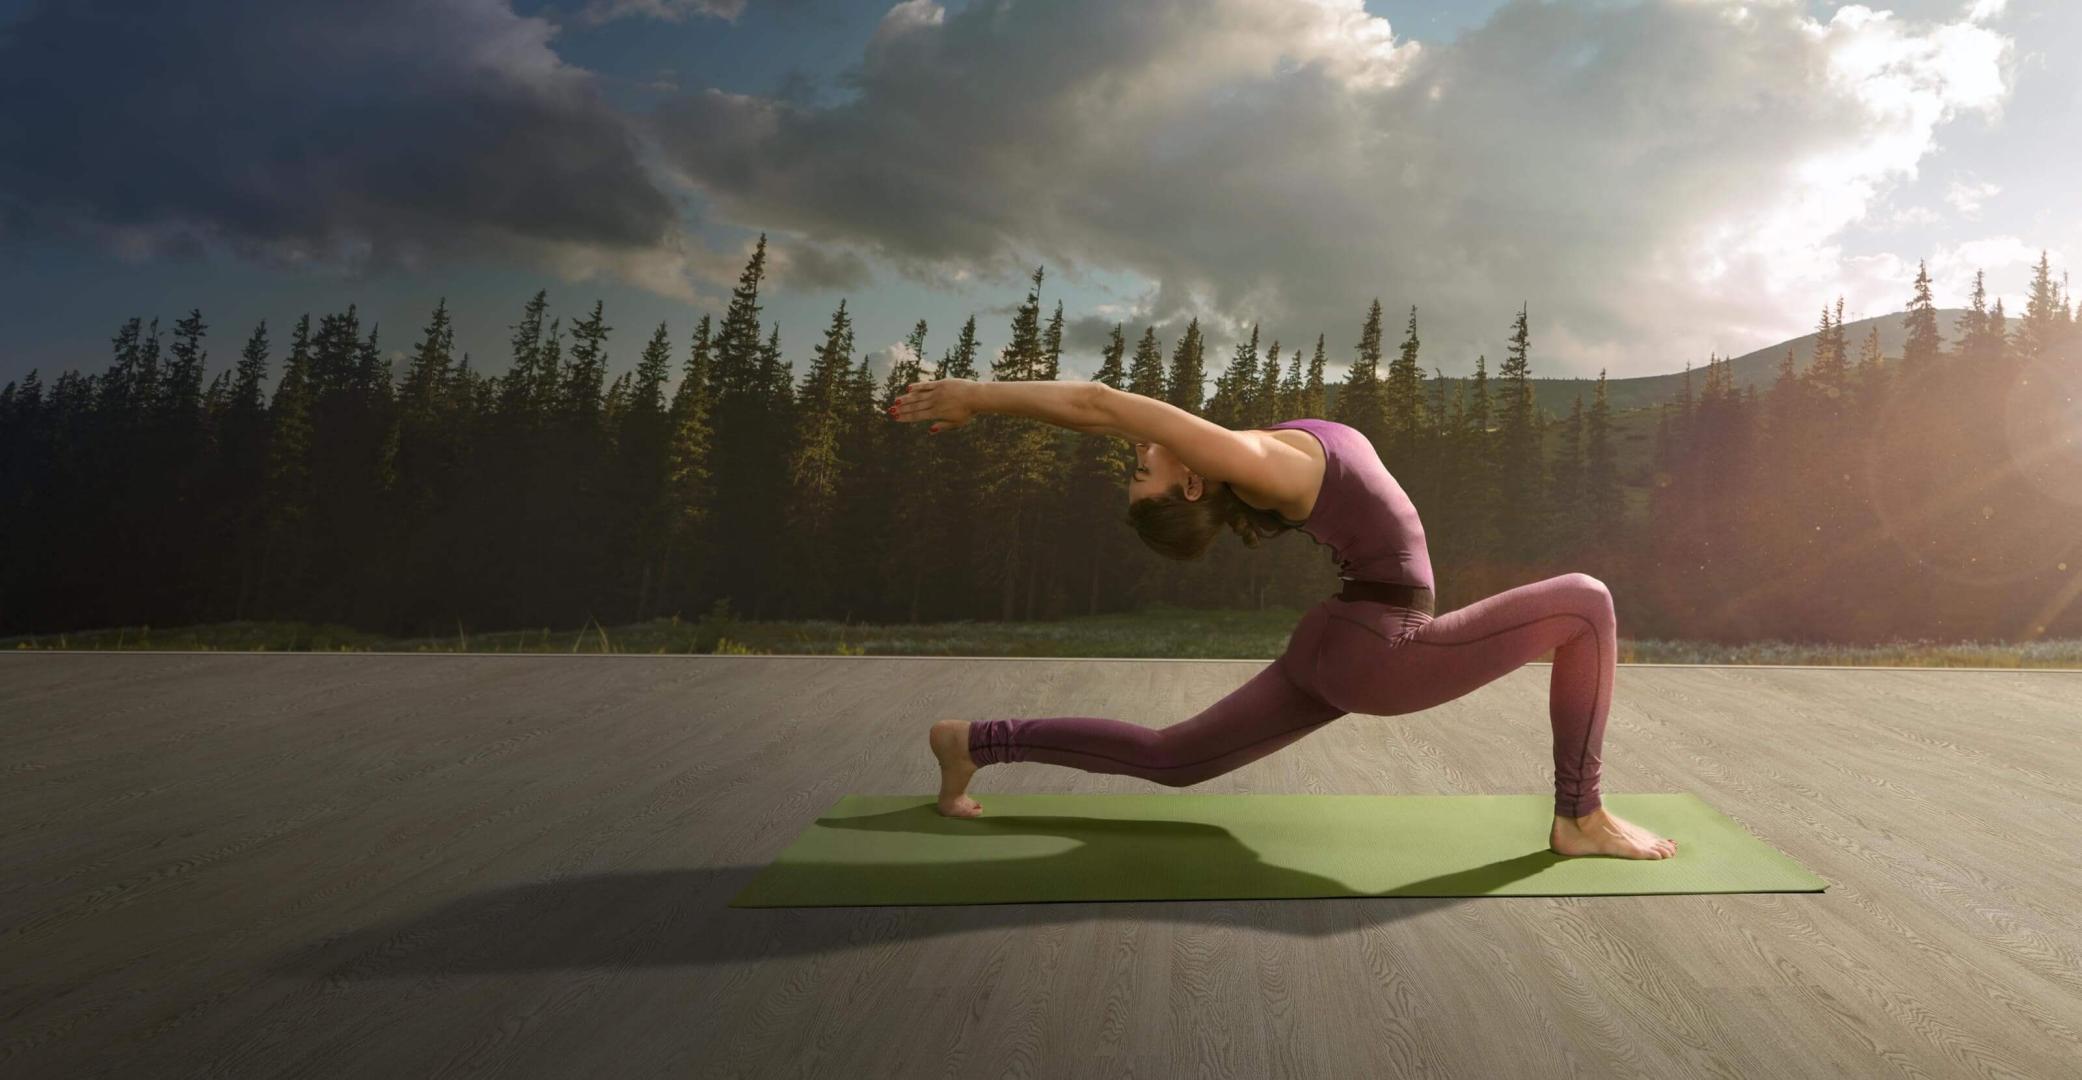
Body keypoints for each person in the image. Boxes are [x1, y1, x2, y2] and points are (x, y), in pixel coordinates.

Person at [887, 376, 1675, 860]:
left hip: (1340, 640)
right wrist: (975, 397)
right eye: (1141, 468)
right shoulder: (1259, 465)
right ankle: (1581, 815)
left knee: (1175, 759)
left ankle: (973, 741)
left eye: (1136, 465)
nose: (1141, 450)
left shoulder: (1244, 458)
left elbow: (1109, 414)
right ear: (1191, 485)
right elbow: (1098, 406)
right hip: (1381, 648)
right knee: (1587, 601)